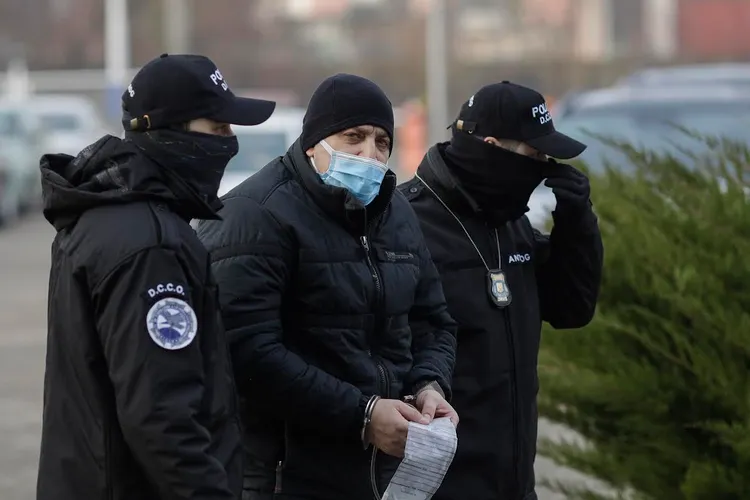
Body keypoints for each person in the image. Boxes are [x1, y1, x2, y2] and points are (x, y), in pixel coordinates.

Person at [196, 73, 459, 500]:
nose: (368, 153)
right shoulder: (253, 216)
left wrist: (431, 383)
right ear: (313, 142)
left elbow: (434, 321)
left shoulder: (396, 215)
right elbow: (246, 352)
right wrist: (363, 415)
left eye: (381, 142)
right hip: (284, 474)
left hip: (381, 471)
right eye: (353, 136)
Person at [36, 53, 277, 500]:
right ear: (172, 133)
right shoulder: (153, 245)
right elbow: (163, 417)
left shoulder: (104, 215)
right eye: (218, 128)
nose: (230, 142)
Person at [399, 81, 604, 500]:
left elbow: (572, 309)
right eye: (536, 157)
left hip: (512, 479)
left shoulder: (511, 225)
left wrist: (577, 226)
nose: (545, 168)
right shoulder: (403, 224)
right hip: (436, 482)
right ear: (492, 148)